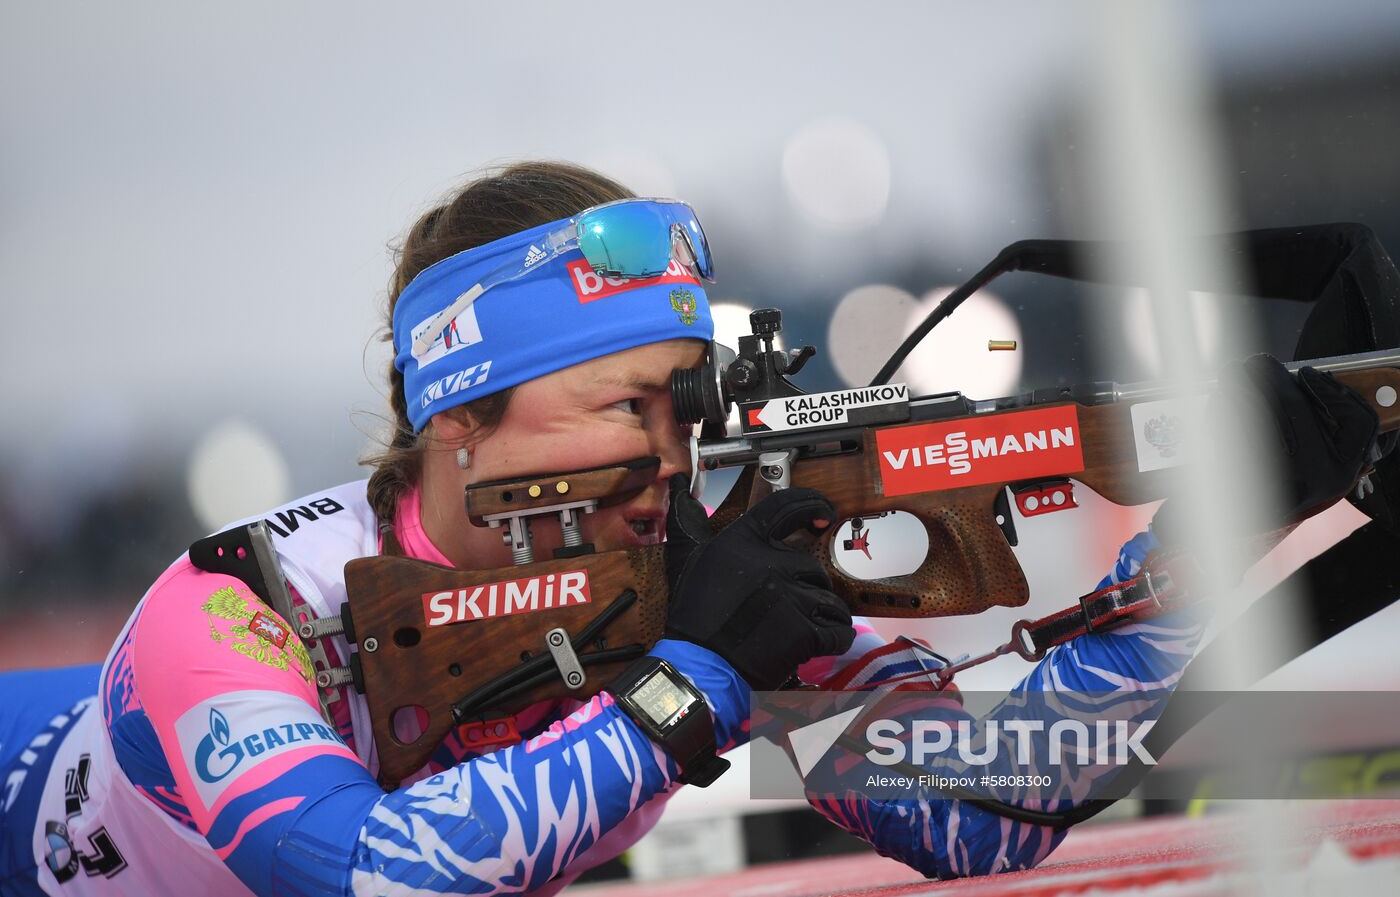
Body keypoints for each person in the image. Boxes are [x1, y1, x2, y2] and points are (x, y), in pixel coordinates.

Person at [0, 161, 1378, 895]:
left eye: (690, 403)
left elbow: (985, 808)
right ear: (461, 417)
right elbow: (366, 875)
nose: (675, 458)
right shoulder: (238, 605)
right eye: (627, 407)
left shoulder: (688, 569)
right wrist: (688, 687)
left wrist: (1202, 551)